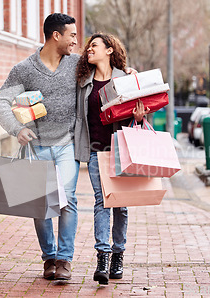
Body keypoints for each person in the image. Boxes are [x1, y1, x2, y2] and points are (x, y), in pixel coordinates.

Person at [0, 13, 80, 281]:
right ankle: (49, 258)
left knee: (66, 199)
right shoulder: (25, 70)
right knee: (40, 204)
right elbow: (0, 102)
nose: (76, 41)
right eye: (72, 35)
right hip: (37, 147)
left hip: (67, 145)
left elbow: (105, 73)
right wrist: (17, 129)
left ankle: (64, 260)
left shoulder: (77, 65)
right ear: (57, 36)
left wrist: (128, 71)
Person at [74, 33, 149, 285]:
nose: (88, 50)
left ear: (109, 50)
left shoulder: (126, 78)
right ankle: (102, 258)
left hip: (121, 149)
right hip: (96, 150)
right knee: (101, 202)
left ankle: (118, 254)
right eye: (87, 47)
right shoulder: (84, 82)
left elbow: (136, 112)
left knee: (121, 204)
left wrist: (138, 117)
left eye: (94, 46)